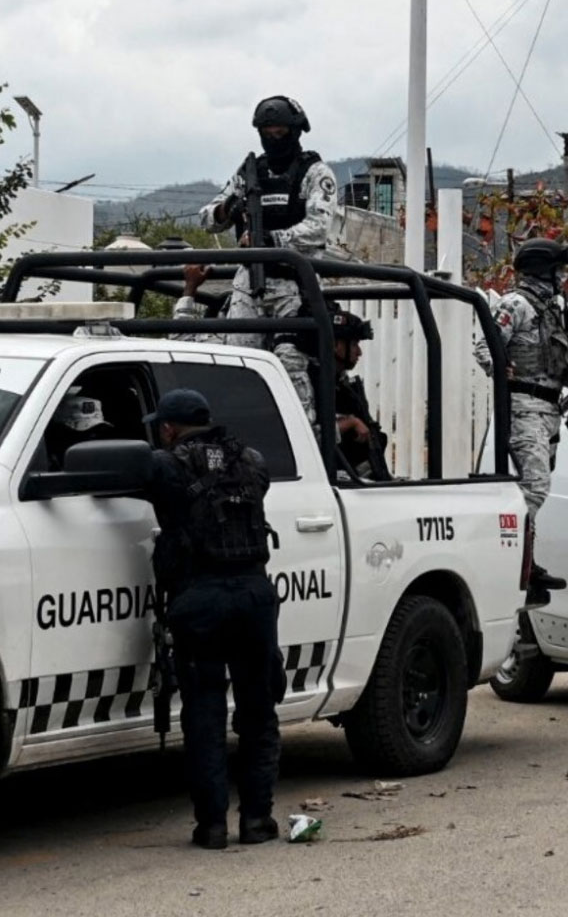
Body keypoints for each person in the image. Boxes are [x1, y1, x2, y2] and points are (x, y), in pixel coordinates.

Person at [141, 388, 283, 850]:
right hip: (254, 595)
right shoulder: (254, 460)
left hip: (200, 598)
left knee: (204, 715)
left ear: (167, 428)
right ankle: (258, 820)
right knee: (258, 713)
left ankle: (213, 827)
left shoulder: (165, 464)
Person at [190, 95, 339, 427]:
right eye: (266, 131)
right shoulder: (249, 173)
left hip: (294, 284)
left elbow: (318, 227)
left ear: (296, 131)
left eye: (280, 131)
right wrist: (228, 208)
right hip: (248, 283)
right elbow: (207, 218)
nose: (273, 137)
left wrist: (272, 239)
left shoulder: (315, 173)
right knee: (237, 363)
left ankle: (306, 442)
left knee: (290, 365)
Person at [475, 238, 568, 593]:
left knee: (536, 487)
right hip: (524, 407)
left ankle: (526, 562)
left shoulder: (552, 310)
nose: (562, 278)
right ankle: (513, 561)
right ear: (542, 271)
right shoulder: (515, 304)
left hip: (549, 409)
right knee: (534, 486)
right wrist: (498, 367)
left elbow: (555, 359)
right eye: (558, 271)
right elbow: (485, 345)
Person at [327, 305, 392, 481]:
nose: (359, 352)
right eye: (354, 343)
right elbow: (308, 437)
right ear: (335, 345)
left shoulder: (341, 385)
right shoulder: (316, 384)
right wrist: (350, 423)